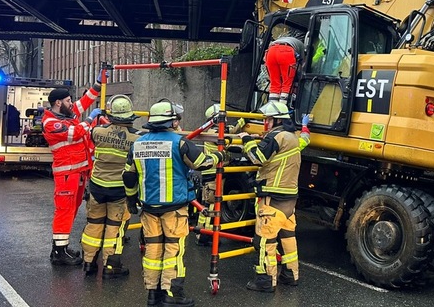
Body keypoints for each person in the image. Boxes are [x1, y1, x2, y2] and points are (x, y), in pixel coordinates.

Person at [122, 100, 229, 307]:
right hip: (174, 209)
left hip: (149, 208)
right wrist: (220, 155)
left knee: (153, 251)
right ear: (171, 122)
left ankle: (153, 295)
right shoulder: (179, 142)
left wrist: (131, 198)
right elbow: (202, 163)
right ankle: (172, 294)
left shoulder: (138, 143)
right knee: (173, 251)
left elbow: (128, 175)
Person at [239, 101, 310, 292]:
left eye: (268, 119)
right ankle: (290, 274)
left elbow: (257, 158)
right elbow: (306, 139)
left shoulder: (275, 136)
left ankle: (265, 280)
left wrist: (246, 140)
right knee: (287, 238)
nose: (266, 123)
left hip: (273, 198)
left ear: (277, 119)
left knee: (265, 240)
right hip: (289, 199)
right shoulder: (293, 137)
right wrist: (305, 126)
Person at [43, 77, 103, 266]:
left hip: (76, 173)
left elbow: (84, 102)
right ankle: (59, 252)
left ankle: (62, 246)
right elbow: (75, 133)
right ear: (58, 103)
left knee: (71, 210)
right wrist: (90, 119)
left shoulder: (65, 115)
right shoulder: (51, 123)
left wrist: (97, 85)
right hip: (66, 174)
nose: (72, 103)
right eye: (69, 101)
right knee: (65, 211)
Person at [81, 95, 143, 278]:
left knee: (94, 225)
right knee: (114, 228)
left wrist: (92, 117)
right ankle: (111, 266)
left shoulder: (98, 131)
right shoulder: (137, 138)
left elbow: (88, 133)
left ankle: (89, 262)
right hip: (119, 190)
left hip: (97, 187)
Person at [195, 104, 247, 246]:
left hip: (212, 173)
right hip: (213, 174)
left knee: (208, 204)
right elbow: (231, 132)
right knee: (210, 205)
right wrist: (244, 120)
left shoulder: (210, 130)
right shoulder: (216, 132)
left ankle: (203, 233)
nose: (226, 121)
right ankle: (204, 236)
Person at [264, 36, 305, 105]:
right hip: (286, 51)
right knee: (287, 84)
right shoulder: (302, 46)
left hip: (271, 51)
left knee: (274, 84)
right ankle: (282, 109)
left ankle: (272, 108)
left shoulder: (285, 40)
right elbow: (302, 65)